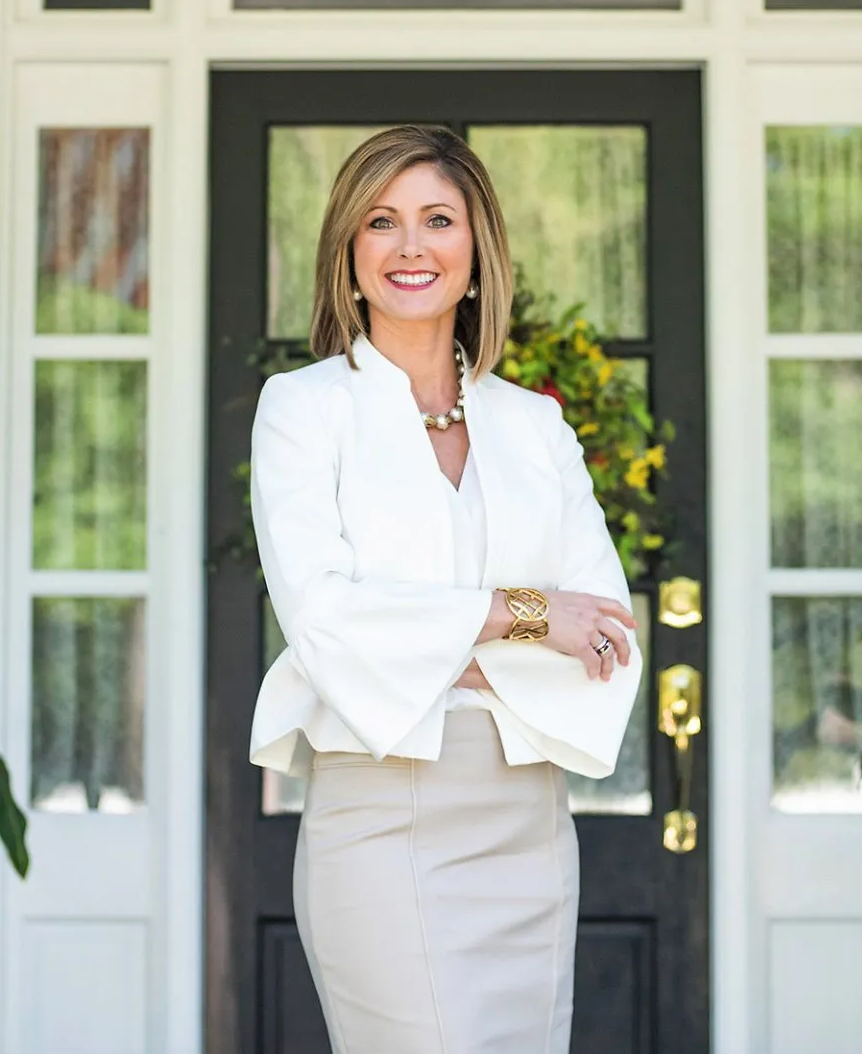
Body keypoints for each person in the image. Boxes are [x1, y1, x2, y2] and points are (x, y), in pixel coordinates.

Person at [246, 124, 646, 1054]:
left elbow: (606, 630)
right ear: (350, 254)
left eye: (438, 219)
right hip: (378, 813)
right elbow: (326, 622)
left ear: (478, 252)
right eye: (381, 222)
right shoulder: (304, 411)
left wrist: (435, 638)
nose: (411, 246)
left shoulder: (534, 426)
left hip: (525, 818)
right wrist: (520, 615)